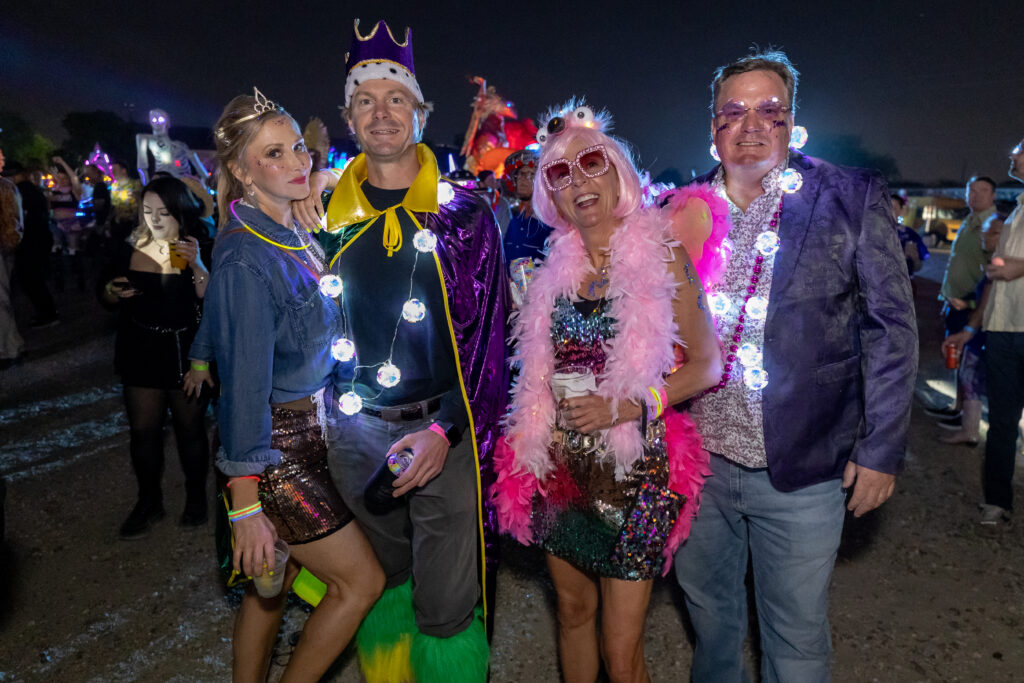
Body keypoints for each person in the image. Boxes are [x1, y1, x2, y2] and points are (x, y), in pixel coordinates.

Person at [673, 51, 917, 682]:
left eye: (769, 110)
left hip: (805, 467)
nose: (751, 124)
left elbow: (891, 329)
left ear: (791, 121)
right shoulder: (680, 212)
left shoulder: (850, 197)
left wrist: (882, 448)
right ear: (713, 127)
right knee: (712, 623)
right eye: (734, 111)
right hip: (698, 465)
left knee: (796, 635)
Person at [291, 20, 507, 682]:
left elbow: (493, 349)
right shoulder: (322, 218)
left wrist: (445, 429)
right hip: (355, 433)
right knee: (380, 583)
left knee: (444, 606)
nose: (380, 113)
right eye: (365, 99)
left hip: (445, 433)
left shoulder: (464, 217)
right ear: (348, 116)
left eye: (395, 97)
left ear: (420, 110)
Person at [490, 101, 722, 682]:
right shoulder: (550, 272)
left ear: (618, 171)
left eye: (591, 162)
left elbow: (709, 366)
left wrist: (629, 404)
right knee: (572, 613)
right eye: (560, 174)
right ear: (552, 195)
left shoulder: (663, 256)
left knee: (622, 654)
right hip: (563, 470)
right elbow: (538, 373)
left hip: (637, 470)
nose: (579, 182)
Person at [185, 89, 384, 682]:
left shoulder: (291, 233)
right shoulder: (245, 258)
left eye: (299, 146)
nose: (299, 161)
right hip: (277, 451)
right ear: (243, 171)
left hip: (316, 431)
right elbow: (242, 384)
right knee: (360, 583)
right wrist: (245, 506)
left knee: (273, 588)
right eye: (276, 153)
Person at [99, 176, 212, 538]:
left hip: (183, 350)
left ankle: (196, 497)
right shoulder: (129, 244)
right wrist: (114, 292)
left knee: (190, 429)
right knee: (143, 431)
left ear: (180, 212)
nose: (155, 218)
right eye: (148, 211)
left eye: (163, 211)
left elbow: (207, 300)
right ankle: (149, 501)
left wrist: (197, 266)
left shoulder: (191, 245)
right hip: (139, 348)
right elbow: (104, 293)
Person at [943, 138, 1024, 528]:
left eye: (1020, 151)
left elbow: (1013, 267)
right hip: (1004, 330)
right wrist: (971, 329)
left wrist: (1021, 266)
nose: (1012, 156)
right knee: (1003, 421)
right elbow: (994, 279)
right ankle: (998, 501)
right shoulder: (1013, 214)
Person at [928, 176, 997, 425]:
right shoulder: (969, 221)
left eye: (983, 190)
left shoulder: (992, 224)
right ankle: (958, 408)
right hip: (955, 302)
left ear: (993, 195)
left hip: (972, 304)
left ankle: (966, 416)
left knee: (969, 361)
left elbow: (991, 272)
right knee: (956, 356)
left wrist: (973, 305)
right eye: (971, 190)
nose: (976, 195)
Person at [5, 161, 58, 327]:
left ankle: (47, 314)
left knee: (30, 279)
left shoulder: (18, 192)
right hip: (40, 236)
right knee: (35, 278)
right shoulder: (35, 190)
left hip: (29, 240)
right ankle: (48, 311)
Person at [0, 148, 25, 369]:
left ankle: (9, 349)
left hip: (3, 248)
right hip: (6, 246)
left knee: (2, 299)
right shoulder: (8, 187)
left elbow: (16, 224)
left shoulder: (6, 188)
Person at [48, 155, 85, 290]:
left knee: (73, 250)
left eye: (65, 178)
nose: (62, 180)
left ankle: (78, 280)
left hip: (71, 223)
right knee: (56, 250)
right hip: (56, 223)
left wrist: (62, 162)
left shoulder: (75, 191)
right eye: (60, 178)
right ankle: (59, 281)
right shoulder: (54, 191)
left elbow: (75, 178)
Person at [109, 160, 143, 244]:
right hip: (118, 222)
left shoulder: (136, 184)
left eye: (115, 170)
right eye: (112, 170)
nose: (112, 173)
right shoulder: (114, 186)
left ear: (124, 171)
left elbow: (141, 200)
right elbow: (114, 205)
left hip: (133, 222)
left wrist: (135, 195)